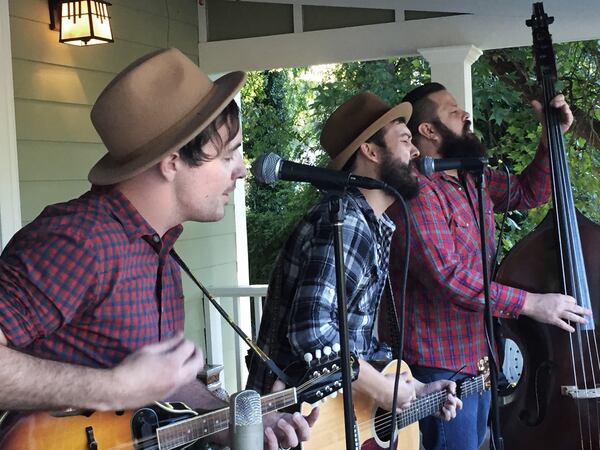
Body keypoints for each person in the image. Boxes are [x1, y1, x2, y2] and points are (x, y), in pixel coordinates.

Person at [0, 48, 316, 450]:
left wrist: (236, 420)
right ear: (171, 163)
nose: (241, 169)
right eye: (226, 155)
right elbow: (126, 387)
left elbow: (167, 387)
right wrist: (114, 387)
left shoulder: (160, 250)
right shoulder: (78, 240)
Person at [382, 82, 592, 450]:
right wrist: (531, 303)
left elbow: (530, 191)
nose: (465, 115)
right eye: (452, 111)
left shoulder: (471, 177)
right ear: (428, 130)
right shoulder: (416, 190)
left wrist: (551, 137)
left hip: (479, 363)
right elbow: (449, 277)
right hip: (438, 372)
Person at [247, 92, 462, 438]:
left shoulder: (369, 225)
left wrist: (414, 390)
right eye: (405, 140)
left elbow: (354, 345)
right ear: (371, 151)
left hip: (326, 423)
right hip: (297, 428)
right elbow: (314, 335)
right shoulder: (345, 223)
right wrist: (382, 390)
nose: (416, 152)